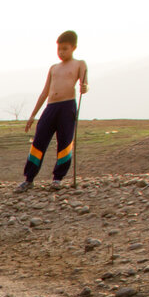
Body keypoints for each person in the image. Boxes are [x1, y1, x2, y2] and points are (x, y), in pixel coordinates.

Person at [16, 31, 89, 192]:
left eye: (65, 49)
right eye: (59, 49)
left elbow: (85, 85)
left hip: (67, 106)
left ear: (73, 48)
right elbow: (44, 92)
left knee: (64, 143)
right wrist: (33, 115)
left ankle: (57, 179)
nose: (61, 52)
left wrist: (85, 87)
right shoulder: (53, 68)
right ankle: (29, 179)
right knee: (39, 141)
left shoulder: (79, 64)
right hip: (51, 107)